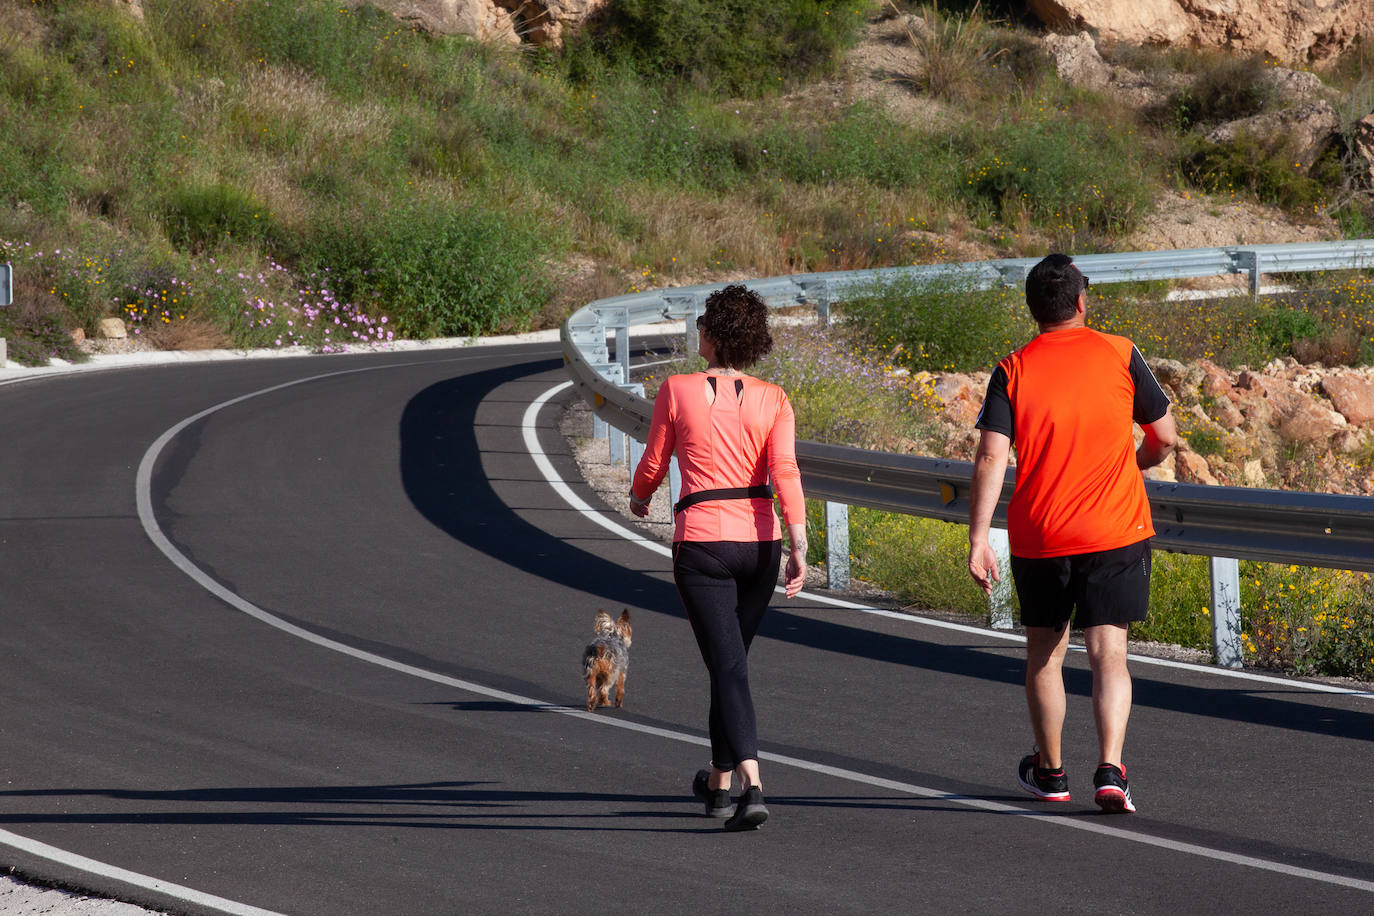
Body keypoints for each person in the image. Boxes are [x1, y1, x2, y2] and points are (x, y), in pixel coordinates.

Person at [967, 253, 1177, 814]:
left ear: (1033, 309)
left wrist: (979, 537)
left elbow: (991, 455)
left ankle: (1050, 772)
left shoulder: (1012, 368)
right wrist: (1135, 463)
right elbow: (1165, 437)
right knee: (1110, 654)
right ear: (1082, 302)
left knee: (1045, 655)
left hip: (1041, 532)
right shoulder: (1120, 352)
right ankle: (1111, 770)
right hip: (1115, 526)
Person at [629, 283, 807, 832]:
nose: (698, 333)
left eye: (701, 325)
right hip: (761, 544)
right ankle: (718, 784)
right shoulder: (773, 397)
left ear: (710, 335)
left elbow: (654, 465)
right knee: (727, 663)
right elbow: (786, 472)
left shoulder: (677, 389)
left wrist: (638, 499)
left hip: (703, 545)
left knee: (727, 665)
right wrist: (799, 544)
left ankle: (753, 782)